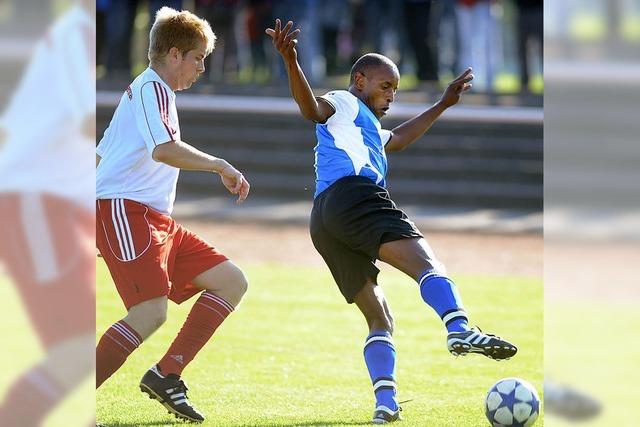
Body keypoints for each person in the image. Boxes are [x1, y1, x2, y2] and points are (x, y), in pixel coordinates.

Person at [266, 19, 517, 424]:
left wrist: (443, 103)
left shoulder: (365, 128)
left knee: (379, 318)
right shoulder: (345, 103)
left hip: (324, 221)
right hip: (354, 197)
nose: (391, 97)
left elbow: (397, 138)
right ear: (360, 80)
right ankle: (459, 327)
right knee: (428, 265)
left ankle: (385, 403)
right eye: (386, 87)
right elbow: (310, 108)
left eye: (395, 91)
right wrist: (291, 61)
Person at [95, 7, 250, 423]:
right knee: (150, 311)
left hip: (149, 218)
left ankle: (166, 374)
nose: (202, 67)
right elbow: (164, 149)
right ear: (176, 54)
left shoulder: (143, 91)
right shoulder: (153, 90)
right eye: (199, 57)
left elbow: (100, 154)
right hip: (127, 211)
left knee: (231, 281)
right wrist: (221, 164)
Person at [0, 1, 96, 425]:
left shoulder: (70, 34)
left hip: (46, 205)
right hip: (35, 204)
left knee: (75, 348)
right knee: (76, 346)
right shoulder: (75, 34)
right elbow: (85, 122)